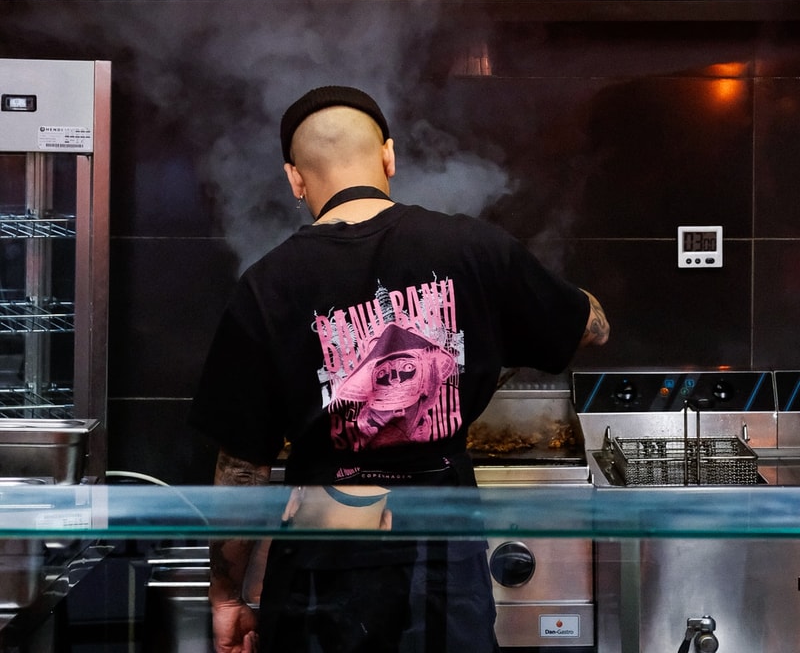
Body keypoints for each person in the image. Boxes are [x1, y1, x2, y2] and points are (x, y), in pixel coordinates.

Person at [190, 85, 610, 653]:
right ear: (388, 156)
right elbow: (591, 327)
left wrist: (226, 596)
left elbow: (240, 470)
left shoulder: (266, 286)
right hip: (442, 549)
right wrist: (515, 312)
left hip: (322, 556)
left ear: (295, 180)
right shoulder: (475, 249)